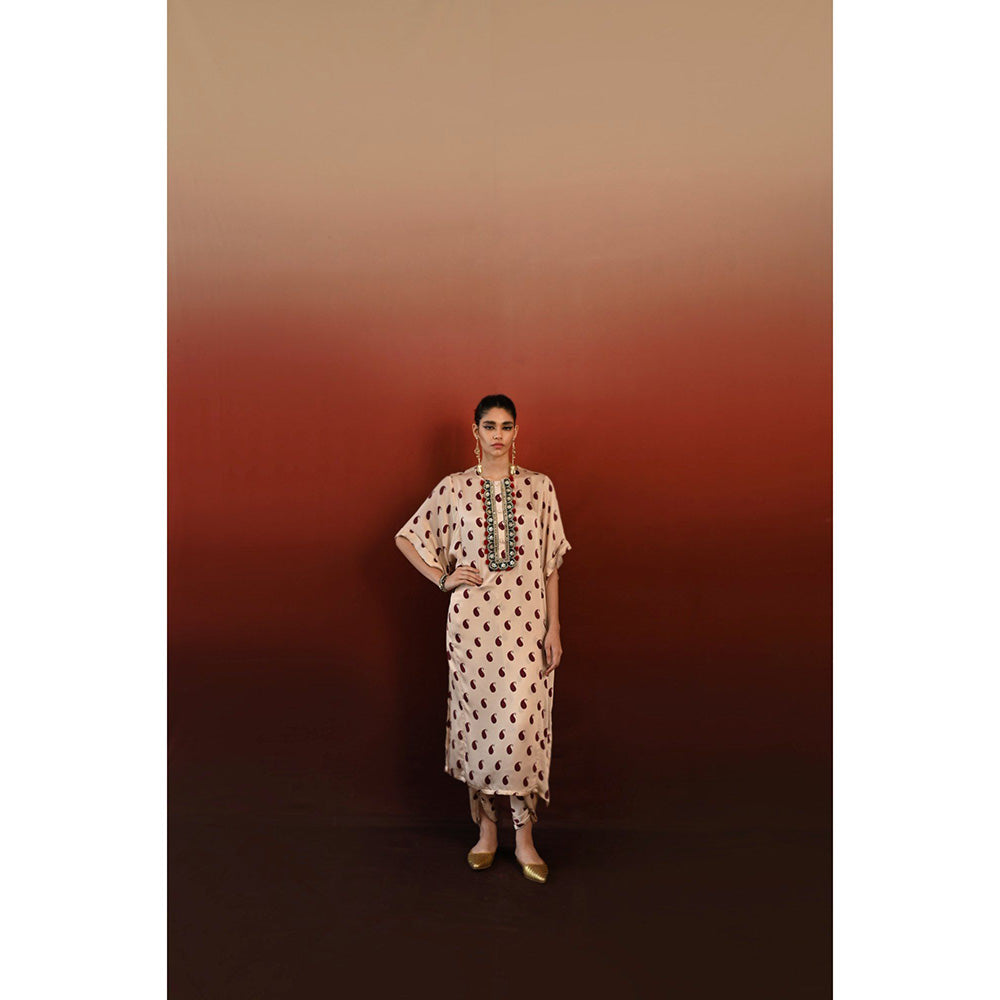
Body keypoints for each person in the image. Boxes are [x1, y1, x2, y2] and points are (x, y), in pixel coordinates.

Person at [394, 394, 571, 883]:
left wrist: (554, 627)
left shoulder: (539, 488)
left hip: (526, 628)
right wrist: (442, 577)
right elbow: (407, 537)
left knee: (521, 726)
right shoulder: (454, 488)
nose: (498, 434)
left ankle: (525, 837)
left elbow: (550, 565)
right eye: (489, 425)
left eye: (506, 426)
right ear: (475, 431)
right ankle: (487, 833)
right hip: (474, 631)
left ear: (517, 431)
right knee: (480, 726)